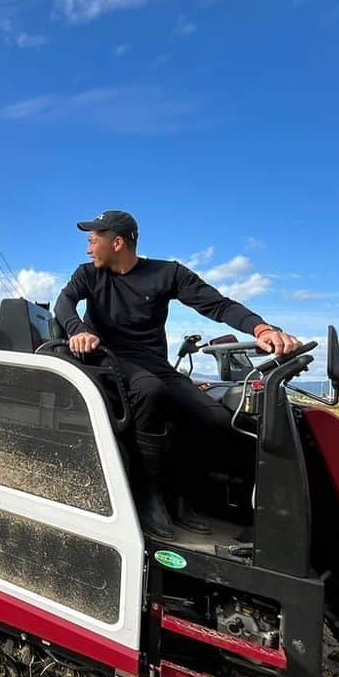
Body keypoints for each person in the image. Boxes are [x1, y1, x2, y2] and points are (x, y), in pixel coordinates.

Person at [53, 210, 301, 539]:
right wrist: (78, 330)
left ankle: (182, 497)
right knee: (150, 391)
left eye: (92, 240)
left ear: (117, 242)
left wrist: (262, 327)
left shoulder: (167, 273)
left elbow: (219, 305)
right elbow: (63, 305)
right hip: (109, 360)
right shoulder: (88, 275)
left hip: (154, 363)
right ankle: (148, 497)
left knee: (214, 417)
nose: (88, 248)